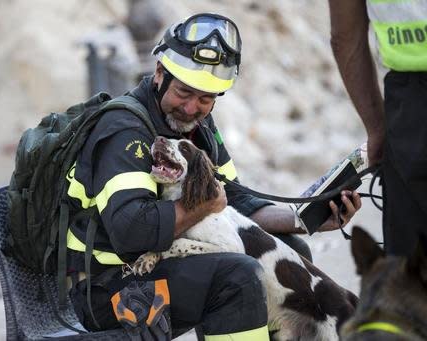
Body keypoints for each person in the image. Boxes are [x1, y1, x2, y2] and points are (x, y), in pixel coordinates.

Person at [66, 13, 361, 340]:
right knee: (238, 276)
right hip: (109, 289)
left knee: (291, 250)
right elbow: (133, 231)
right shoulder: (125, 131)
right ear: (159, 74)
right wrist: (203, 206)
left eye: (205, 99)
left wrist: (306, 219)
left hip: (152, 273)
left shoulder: (197, 128)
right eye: (183, 93)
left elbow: (234, 204)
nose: (192, 108)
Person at [328, 0, 426, 256]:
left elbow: (346, 37)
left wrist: (378, 128)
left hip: (411, 111)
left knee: (409, 277)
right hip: (409, 105)